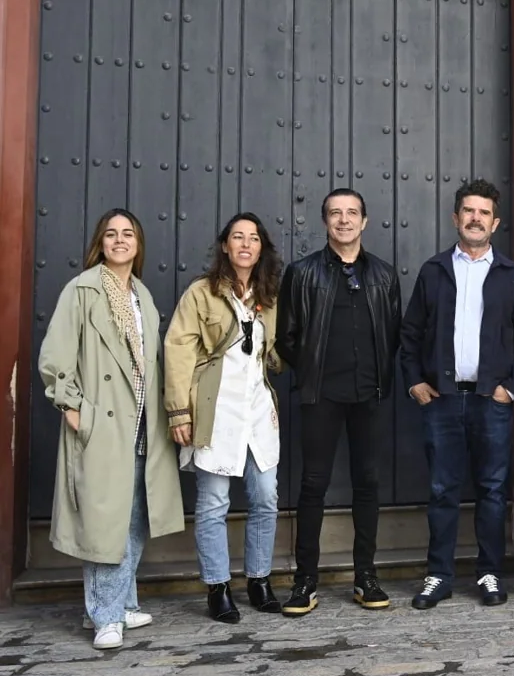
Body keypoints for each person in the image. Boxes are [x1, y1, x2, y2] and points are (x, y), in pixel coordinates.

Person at [38, 209, 185, 650]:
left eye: (127, 234)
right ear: (100, 243)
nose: (120, 240)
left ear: (138, 244)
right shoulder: (81, 290)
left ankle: (116, 604)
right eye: (111, 234)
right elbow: (56, 356)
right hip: (102, 424)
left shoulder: (141, 294)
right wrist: (72, 408)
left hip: (142, 424)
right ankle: (105, 616)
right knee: (105, 522)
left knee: (137, 516)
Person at [400, 179, 514, 610]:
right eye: (468, 211)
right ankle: (438, 575)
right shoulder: (434, 270)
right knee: (442, 489)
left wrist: (510, 389)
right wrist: (415, 381)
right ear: (455, 218)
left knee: (493, 490)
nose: (475, 218)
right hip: (441, 399)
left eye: (483, 212)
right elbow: (410, 334)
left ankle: (489, 572)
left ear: (494, 223)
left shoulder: (512, 276)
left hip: (490, 401)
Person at [275, 188, 402, 616]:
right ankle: (304, 581)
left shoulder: (384, 275)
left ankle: (366, 577)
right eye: (335, 213)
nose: (344, 220)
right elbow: (286, 337)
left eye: (352, 213)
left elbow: (393, 334)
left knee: (367, 485)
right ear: (325, 221)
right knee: (313, 486)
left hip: (369, 395)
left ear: (365, 221)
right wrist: (313, 371)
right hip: (321, 396)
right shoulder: (303, 272)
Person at [164, 212, 284, 623]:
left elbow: (273, 351)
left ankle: (259, 580)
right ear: (225, 246)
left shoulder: (268, 295)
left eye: (253, 238)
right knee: (214, 502)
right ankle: (217, 587)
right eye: (238, 237)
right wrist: (179, 411)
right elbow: (178, 351)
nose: (246, 244)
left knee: (266, 497)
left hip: (256, 411)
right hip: (214, 410)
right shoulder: (202, 293)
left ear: (261, 248)